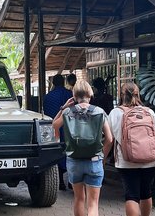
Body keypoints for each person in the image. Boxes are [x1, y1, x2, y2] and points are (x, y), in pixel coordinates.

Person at [107, 82, 155, 216]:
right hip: (151, 161)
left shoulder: (115, 113)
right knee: (145, 192)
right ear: (138, 94)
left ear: (121, 95)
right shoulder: (149, 112)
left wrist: (102, 158)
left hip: (126, 162)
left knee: (132, 195)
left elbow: (109, 140)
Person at [53, 80, 113, 216]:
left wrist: (62, 108)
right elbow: (109, 139)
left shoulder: (68, 112)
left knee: (79, 199)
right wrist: (102, 158)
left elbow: (54, 126)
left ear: (74, 95)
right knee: (93, 204)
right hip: (94, 161)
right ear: (90, 94)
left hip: (74, 161)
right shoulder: (99, 112)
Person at [43, 74, 72, 190]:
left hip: (52, 129)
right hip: (67, 129)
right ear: (63, 81)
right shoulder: (68, 95)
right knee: (70, 153)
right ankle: (71, 181)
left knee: (56, 153)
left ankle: (60, 181)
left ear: (53, 83)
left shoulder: (48, 96)